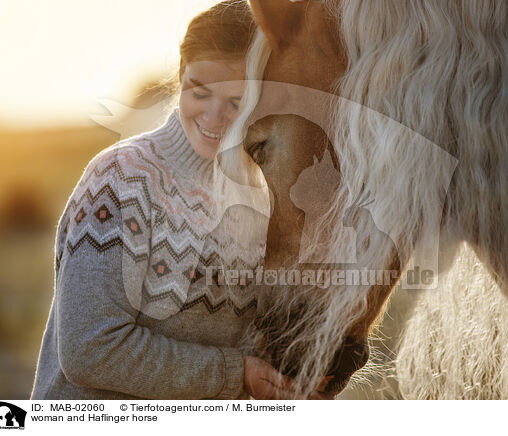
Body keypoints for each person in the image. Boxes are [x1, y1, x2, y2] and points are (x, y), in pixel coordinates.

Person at [30, 0, 330, 400]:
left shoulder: (263, 198)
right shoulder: (122, 178)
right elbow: (89, 348)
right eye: (199, 91)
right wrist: (234, 374)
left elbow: (247, 339)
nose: (212, 116)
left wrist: (291, 379)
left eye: (236, 102)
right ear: (180, 76)